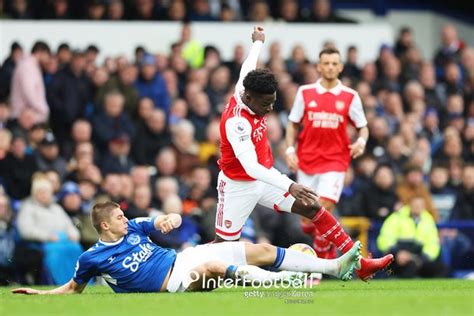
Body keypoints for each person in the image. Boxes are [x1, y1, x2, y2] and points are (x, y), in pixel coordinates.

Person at [215, 26, 392, 281]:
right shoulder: (237, 122)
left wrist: (258, 42)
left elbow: (248, 66)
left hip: (265, 180)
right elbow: (251, 166)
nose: (271, 107)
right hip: (238, 186)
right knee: (223, 248)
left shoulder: (248, 88)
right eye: (266, 104)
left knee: (312, 207)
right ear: (248, 97)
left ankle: (360, 264)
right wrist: (291, 184)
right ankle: (184, 269)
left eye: (273, 101)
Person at [12, 201, 361, 294]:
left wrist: (170, 219)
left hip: (182, 258)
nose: (124, 218)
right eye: (118, 216)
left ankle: (335, 269)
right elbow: (74, 289)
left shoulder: (134, 227)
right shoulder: (92, 257)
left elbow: (168, 219)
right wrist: (42, 296)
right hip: (171, 283)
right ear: (104, 225)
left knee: (258, 250)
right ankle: (290, 283)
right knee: (214, 271)